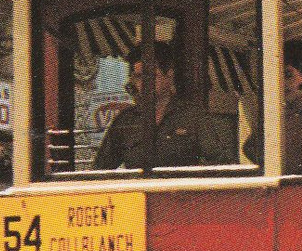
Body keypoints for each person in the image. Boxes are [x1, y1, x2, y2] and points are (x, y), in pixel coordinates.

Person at [93, 42, 230, 170]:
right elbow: (100, 171)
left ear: (169, 76)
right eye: (139, 77)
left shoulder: (193, 116)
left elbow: (220, 164)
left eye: (151, 76)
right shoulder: (125, 121)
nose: (145, 83)